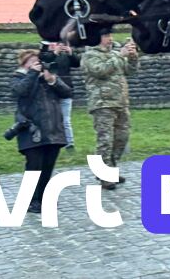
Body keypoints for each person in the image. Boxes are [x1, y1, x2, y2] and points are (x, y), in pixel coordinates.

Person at [10, 50, 72, 213]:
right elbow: (19, 91)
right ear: (24, 64)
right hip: (31, 129)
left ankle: (44, 198)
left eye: (37, 61)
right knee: (33, 166)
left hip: (53, 129)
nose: (37, 63)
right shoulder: (18, 77)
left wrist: (53, 80)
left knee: (47, 167)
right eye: (32, 61)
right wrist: (32, 74)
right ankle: (31, 200)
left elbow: (67, 92)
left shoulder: (47, 76)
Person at [81, 30, 138, 189]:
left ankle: (110, 169)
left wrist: (132, 56)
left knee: (121, 138)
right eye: (106, 36)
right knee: (105, 140)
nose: (110, 39)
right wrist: (120, 55)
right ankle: (104, 175)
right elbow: (100, 71)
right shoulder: (90, 55)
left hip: (121, 103)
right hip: (102, 103)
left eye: (110, 36)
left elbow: (131, 71)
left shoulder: (114, 54)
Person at [40, 42, 80, 150]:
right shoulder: (43, 54)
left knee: (66, 120)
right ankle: (51, 143)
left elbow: (77, 63)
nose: (56, 45)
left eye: (58, 43)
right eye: (54, 43)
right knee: (49, 119)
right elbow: (45, 61)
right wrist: (55, 53)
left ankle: (69, 143)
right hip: (49, 92)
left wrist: (71, 53)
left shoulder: (64, 56)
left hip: (65, 91)